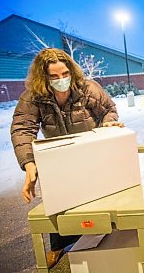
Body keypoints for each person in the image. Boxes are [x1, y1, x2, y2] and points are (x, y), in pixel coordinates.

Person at [10, 47, 124, 268]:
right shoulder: (35, 97)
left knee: (98, 197)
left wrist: (108, 123)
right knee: (58, 202)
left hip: (91, 152)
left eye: (64, 74)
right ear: (44, 77)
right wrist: (29, 162)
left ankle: (106, 239)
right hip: (57, 157)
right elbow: (22, 127)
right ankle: (58, 246)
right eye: (54, 76)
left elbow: (109, 109)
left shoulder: (88, 89)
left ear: (71, 71)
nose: (60, 80)